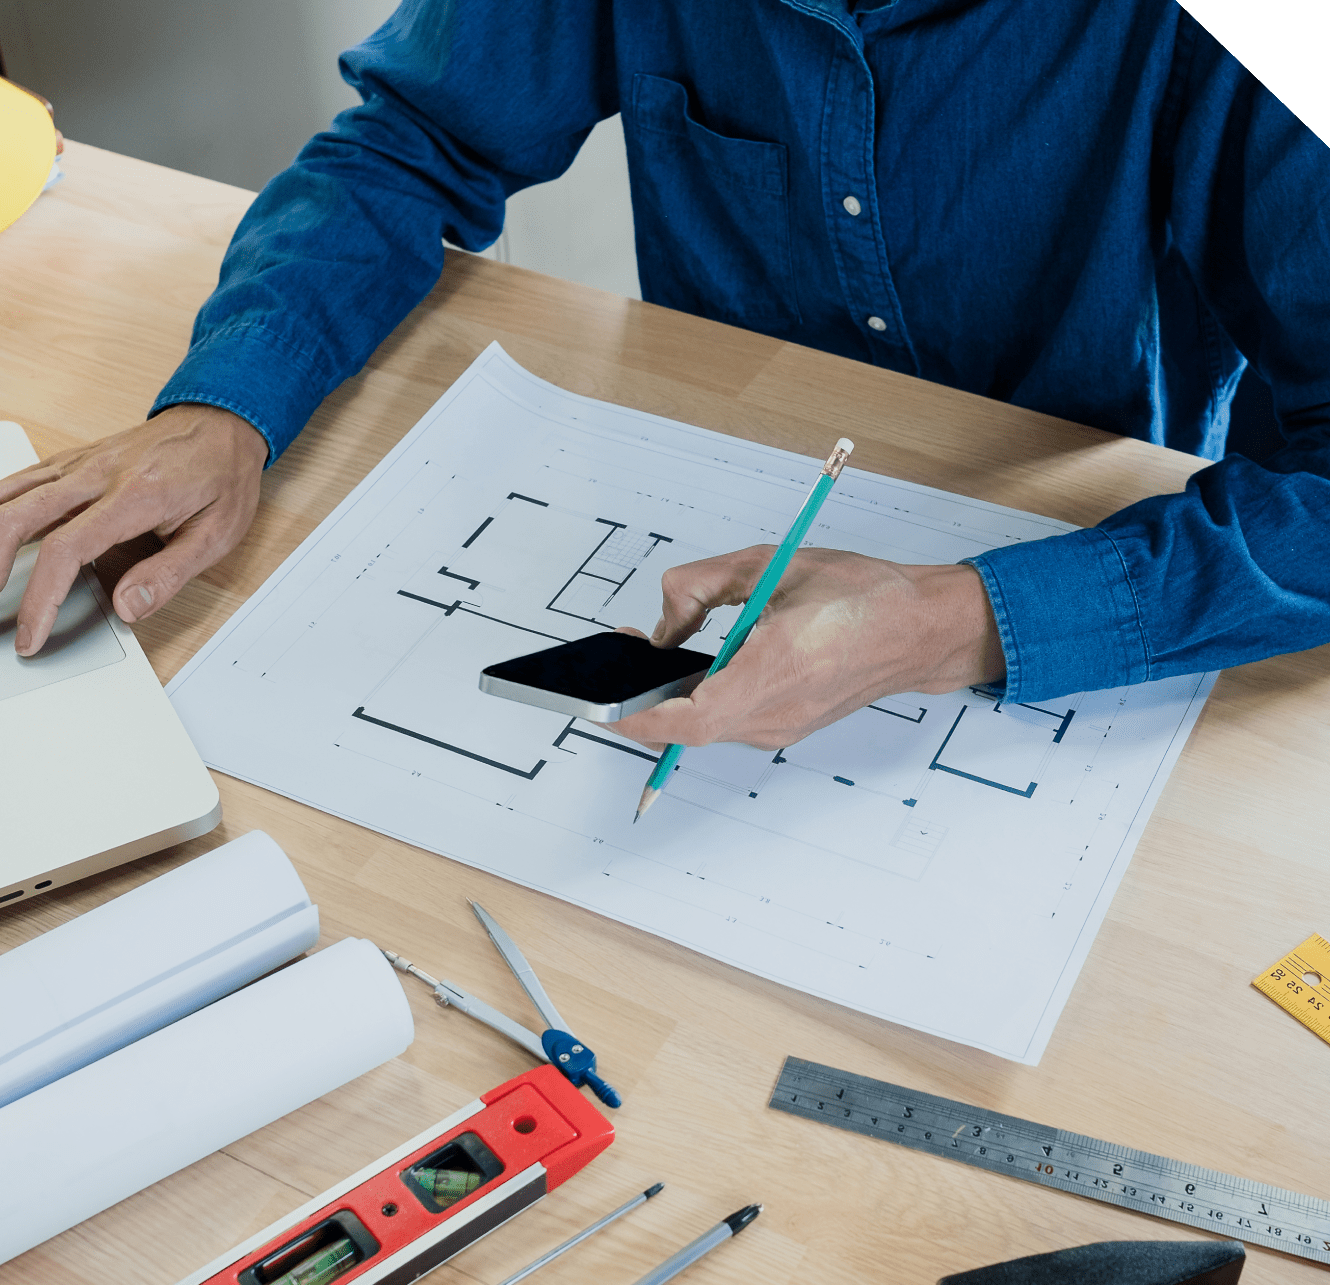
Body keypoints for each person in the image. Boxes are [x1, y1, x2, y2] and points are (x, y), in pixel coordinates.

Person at [2, 0, 1327, 755]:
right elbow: (406, 147)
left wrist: (957, 619)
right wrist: (224, 402)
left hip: (1087, 561)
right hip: (708, 496)